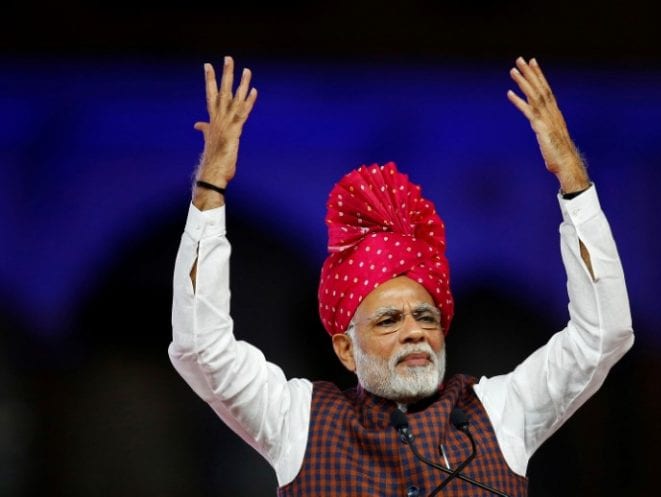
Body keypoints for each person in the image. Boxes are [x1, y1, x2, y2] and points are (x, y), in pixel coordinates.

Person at [170, 55, 634, 496]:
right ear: (346, 349)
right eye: (389, 320)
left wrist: (572, 175)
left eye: (427, 317)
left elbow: (601, 336)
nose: (415, 332)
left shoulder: (500, 413)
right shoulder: (298, 422)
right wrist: (210, 187)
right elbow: (201, 349)